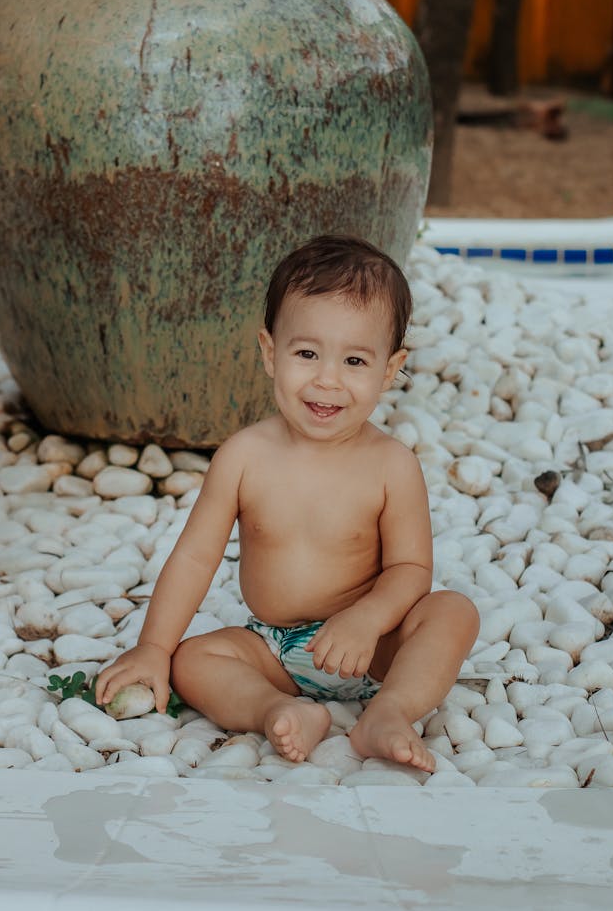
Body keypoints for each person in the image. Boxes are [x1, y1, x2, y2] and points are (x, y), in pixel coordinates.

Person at [96, 235, 479, 771]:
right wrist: (153, 648)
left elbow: (411, 569)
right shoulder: (244, 456)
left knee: (452, 612)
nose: (327, 379)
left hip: (372, 649)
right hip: (274, 651)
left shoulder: (392, 465)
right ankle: (280, 709)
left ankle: (387, 712)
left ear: (389, 372)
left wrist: (367, 620)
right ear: (270, 353)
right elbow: (194, 558)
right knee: (194, 660)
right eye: (306, 353)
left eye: (354, 360)